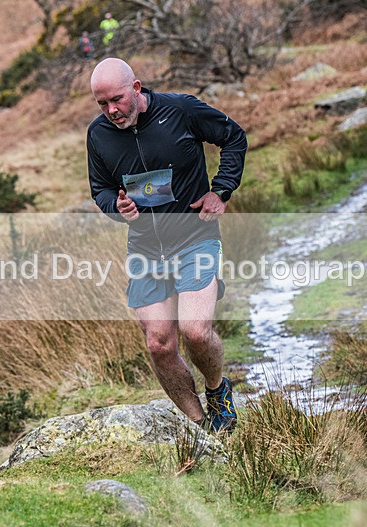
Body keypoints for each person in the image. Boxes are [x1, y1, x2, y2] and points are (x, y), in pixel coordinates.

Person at [87, 58, 247, 433]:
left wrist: (221, 191)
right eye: (102, 104)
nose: (112, 110)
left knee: (195, 332)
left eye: (118, 99)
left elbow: (234, 137)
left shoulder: (181, 110)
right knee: (159, 343)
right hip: (145, 249)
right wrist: (117, 207)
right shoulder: (98, 135)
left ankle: (217, 391)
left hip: (195, 238)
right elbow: (101, 189)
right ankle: (201, 428)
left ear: (137, 88)